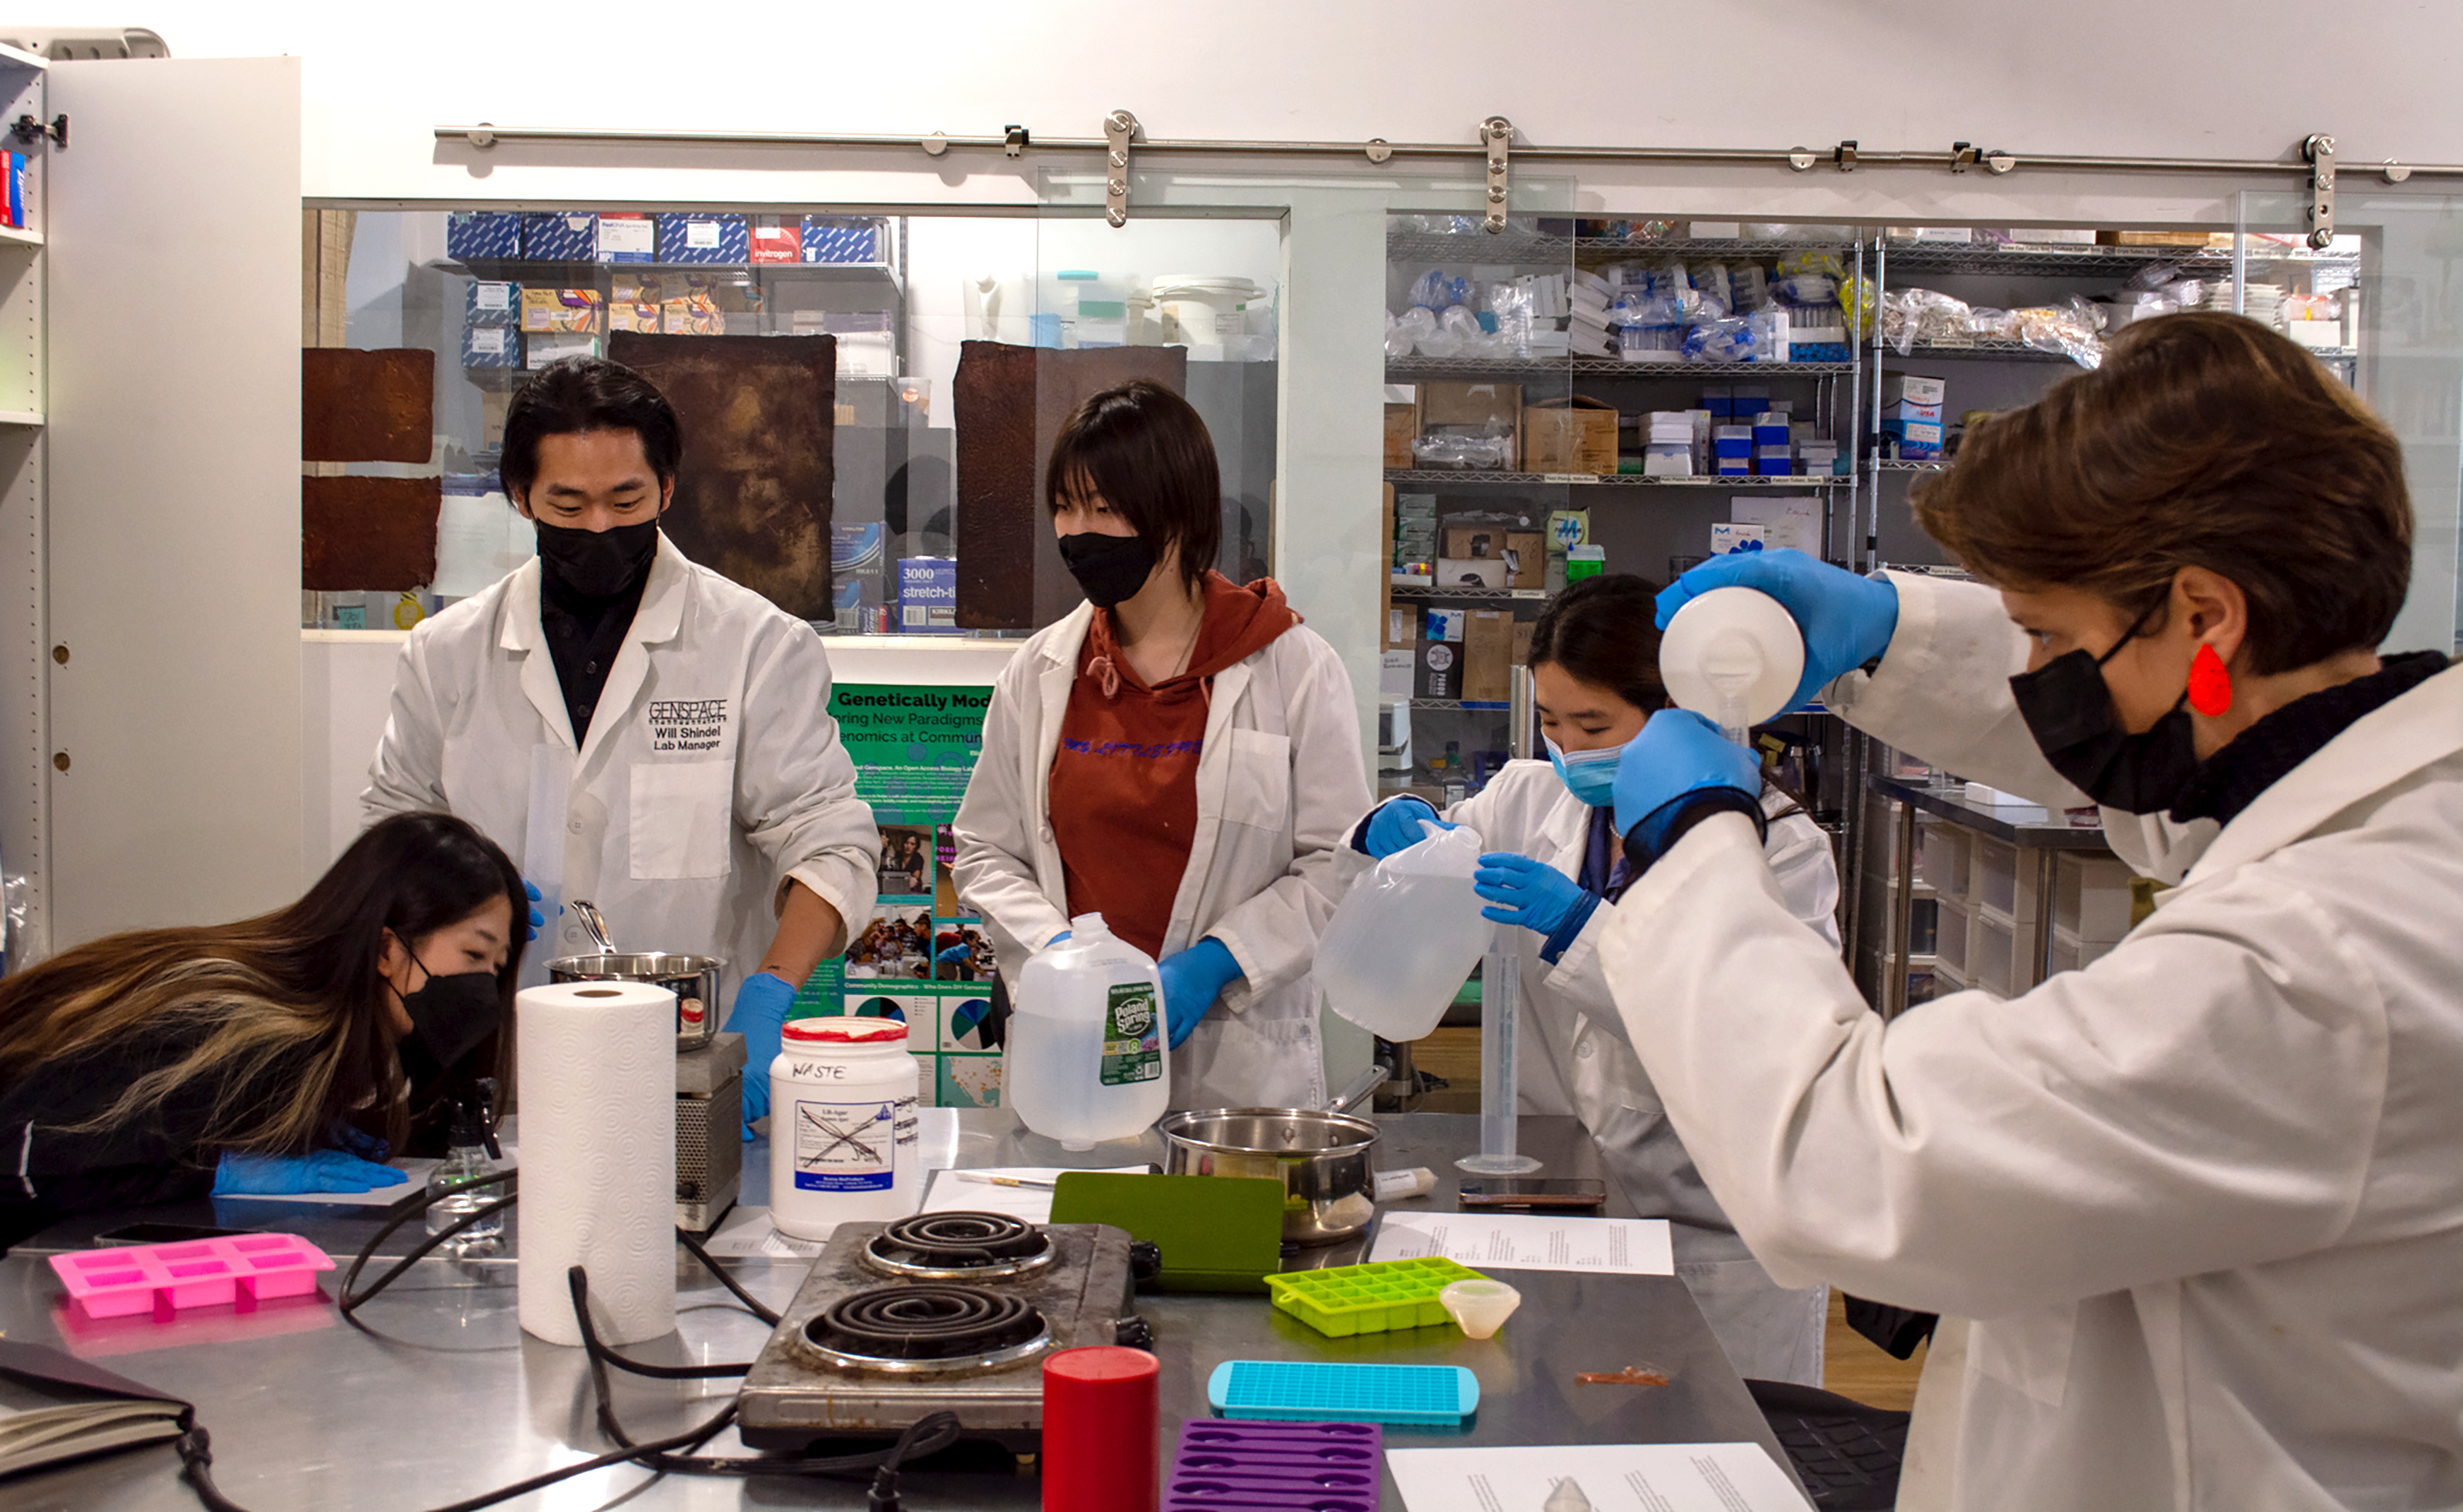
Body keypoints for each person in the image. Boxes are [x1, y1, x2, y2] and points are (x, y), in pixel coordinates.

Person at [1596, 312, 2461, 1507]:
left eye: (2048, 634)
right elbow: (2181, 788)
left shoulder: (2331, 953)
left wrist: (1694, 843)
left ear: (2207, 616)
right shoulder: (2362, 794)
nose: (2035, 673)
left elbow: (1858, 1157)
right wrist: (1888, 636)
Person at [1343, 575, 1840, 1383]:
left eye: (1593, 724)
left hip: (1713, 1230)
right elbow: (1411, 861)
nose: (1568, 750)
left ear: (1680, 717)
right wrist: (1385, 827)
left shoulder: (1781, 850)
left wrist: (1584, 928)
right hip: (1551, 1204)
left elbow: (1751, 1038)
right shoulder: (1525, 798)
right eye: (1549, 721)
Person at [364, 357, 878, 1133]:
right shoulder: (447, 654)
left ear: (667, 490)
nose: (599, 527)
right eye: (567, 504)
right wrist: (456, 891)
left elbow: (830, 843)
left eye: (625, 499)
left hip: (686, 1071)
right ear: (519, 496)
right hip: (491, 1064)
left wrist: (771, 994)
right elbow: (388, 842)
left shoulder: (755, 645)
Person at [952, 379, 1369, 1110]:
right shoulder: (1043, 669)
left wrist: (1216, 962)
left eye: (1106, 509)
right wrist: (1057, 954)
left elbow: (1338, 864)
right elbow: (986, 849)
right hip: (1070, 1049)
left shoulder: (1290, 667)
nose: (1077, 531)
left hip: (1232, 1061)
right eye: (1065, 505)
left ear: (1175, 512)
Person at [0, 813, 525, 1253]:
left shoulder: (340, 1037)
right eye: (474, 954)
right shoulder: (237, 1028)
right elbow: (20, 1155)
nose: (483, 986)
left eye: (497, 967)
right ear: (387, 950)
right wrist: (211, 1171)